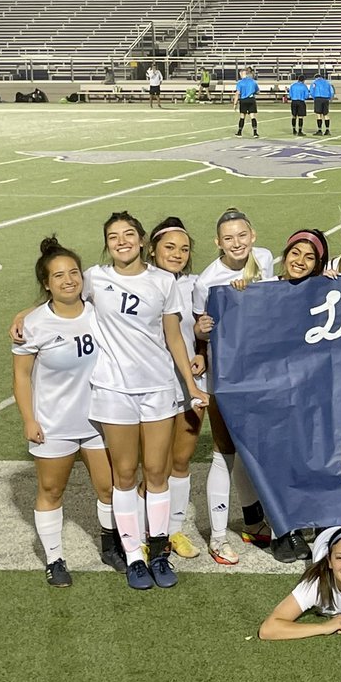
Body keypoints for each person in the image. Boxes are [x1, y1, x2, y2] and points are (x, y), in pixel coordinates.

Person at [88, 212, 210, 589]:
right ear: (107, 243)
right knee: (125, 476)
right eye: (113, 236)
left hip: (158, 389)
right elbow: (60, 298)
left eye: (128, 234)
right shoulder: (95, 277)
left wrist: (191, 386)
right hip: (113, 391)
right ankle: (134, 556)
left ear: (142, 241)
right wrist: (26, 314)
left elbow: (175, 337)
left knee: (157, 474)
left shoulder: (162, 281)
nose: (121, 241)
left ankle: (159, 553)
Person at [12, 237, 124, 586]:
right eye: (58, 276)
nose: (69, 280)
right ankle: (55, 558)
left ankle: (110, 545)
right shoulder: (34, 324)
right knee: (51, 490)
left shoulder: (98, 311)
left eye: (74, 272)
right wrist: (29, 419)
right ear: (46, 284)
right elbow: (21, 375)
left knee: (109, 488)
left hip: (98, 419)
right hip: (54, 423)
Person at [229, 228, 330, 561]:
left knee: (306, 455)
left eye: (309, 257)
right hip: (272, 388)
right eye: (295, 253)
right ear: (285, 255)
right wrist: (240, 296)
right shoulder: (264, 291)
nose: (300, 261)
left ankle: (306, 521)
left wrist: (338, 285)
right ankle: (281, 531)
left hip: (309, 388)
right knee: (276, 459)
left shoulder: (322, 291)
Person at [192, 208, 278, 565]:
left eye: (241, 235)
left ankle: (255, 521)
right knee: (224, 452)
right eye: (228, 238)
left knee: (253, 450)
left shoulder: (264, 259)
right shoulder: (206, 281)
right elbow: (200, 328)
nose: (237, 243)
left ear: (253, 235)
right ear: (218, 243)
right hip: (225, 376)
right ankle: (216, 536)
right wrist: (201, 333)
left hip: (261, 371)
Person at [148, 217, 207, 560]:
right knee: (155, 465)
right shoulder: (135, 282)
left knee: (181, 461)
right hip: (150, 385)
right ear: (152, 249)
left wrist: (202, 353)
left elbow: (204, 330)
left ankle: (175, 530)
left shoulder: (195, 284)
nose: (178, 254)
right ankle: (149, 531)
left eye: (184, 249)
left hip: (189, 385)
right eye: (169, 247)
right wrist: (27, 312)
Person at [233, 66, 259, 138]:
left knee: (242, 117)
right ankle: (255, 133)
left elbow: (237, 93)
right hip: (251, 100)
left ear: (241, 74)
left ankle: (239, 132)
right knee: (252, 116)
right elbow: (258, 91)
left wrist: (235, 104)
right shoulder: (253, 82)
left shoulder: (240, 83)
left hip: (243, 100)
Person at [310, 69, 334, 135]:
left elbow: (311, 91)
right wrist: (330, 98)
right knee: (326, 115)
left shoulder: (314, 82)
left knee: (318, 115)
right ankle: (327, 130)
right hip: (326, 99)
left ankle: (319, 130)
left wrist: (314, 97)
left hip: (318, 98)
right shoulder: (327, 82)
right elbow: (331, 91)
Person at [287, 72, 309, 136]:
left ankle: (294, 130)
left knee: (294, 116)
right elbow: (306, 95)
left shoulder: (293, 85)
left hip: (294, 101)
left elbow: (290, 95)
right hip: (301, 102)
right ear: (304, 80)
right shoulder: (304, 86)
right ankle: (300, 131)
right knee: (300, 117)